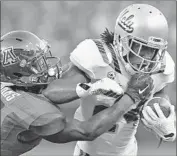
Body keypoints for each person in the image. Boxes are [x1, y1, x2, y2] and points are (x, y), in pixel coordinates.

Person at [43, 4, 176, 156]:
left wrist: (162, 115)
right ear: (122, 41)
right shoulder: (99, 58)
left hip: (129, 152)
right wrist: (90, 88)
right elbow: (52, 92)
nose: (146, 57)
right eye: (140, 48)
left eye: (153, 50)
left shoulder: (161, 67)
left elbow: (159, 93)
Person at [0, 30, 154, 156]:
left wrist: (89, 87)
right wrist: (130, 96)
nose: (45, 66)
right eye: (37, 63)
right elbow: (87, 131)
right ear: (17, 73)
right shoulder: (33, 109)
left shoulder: (9, 84)